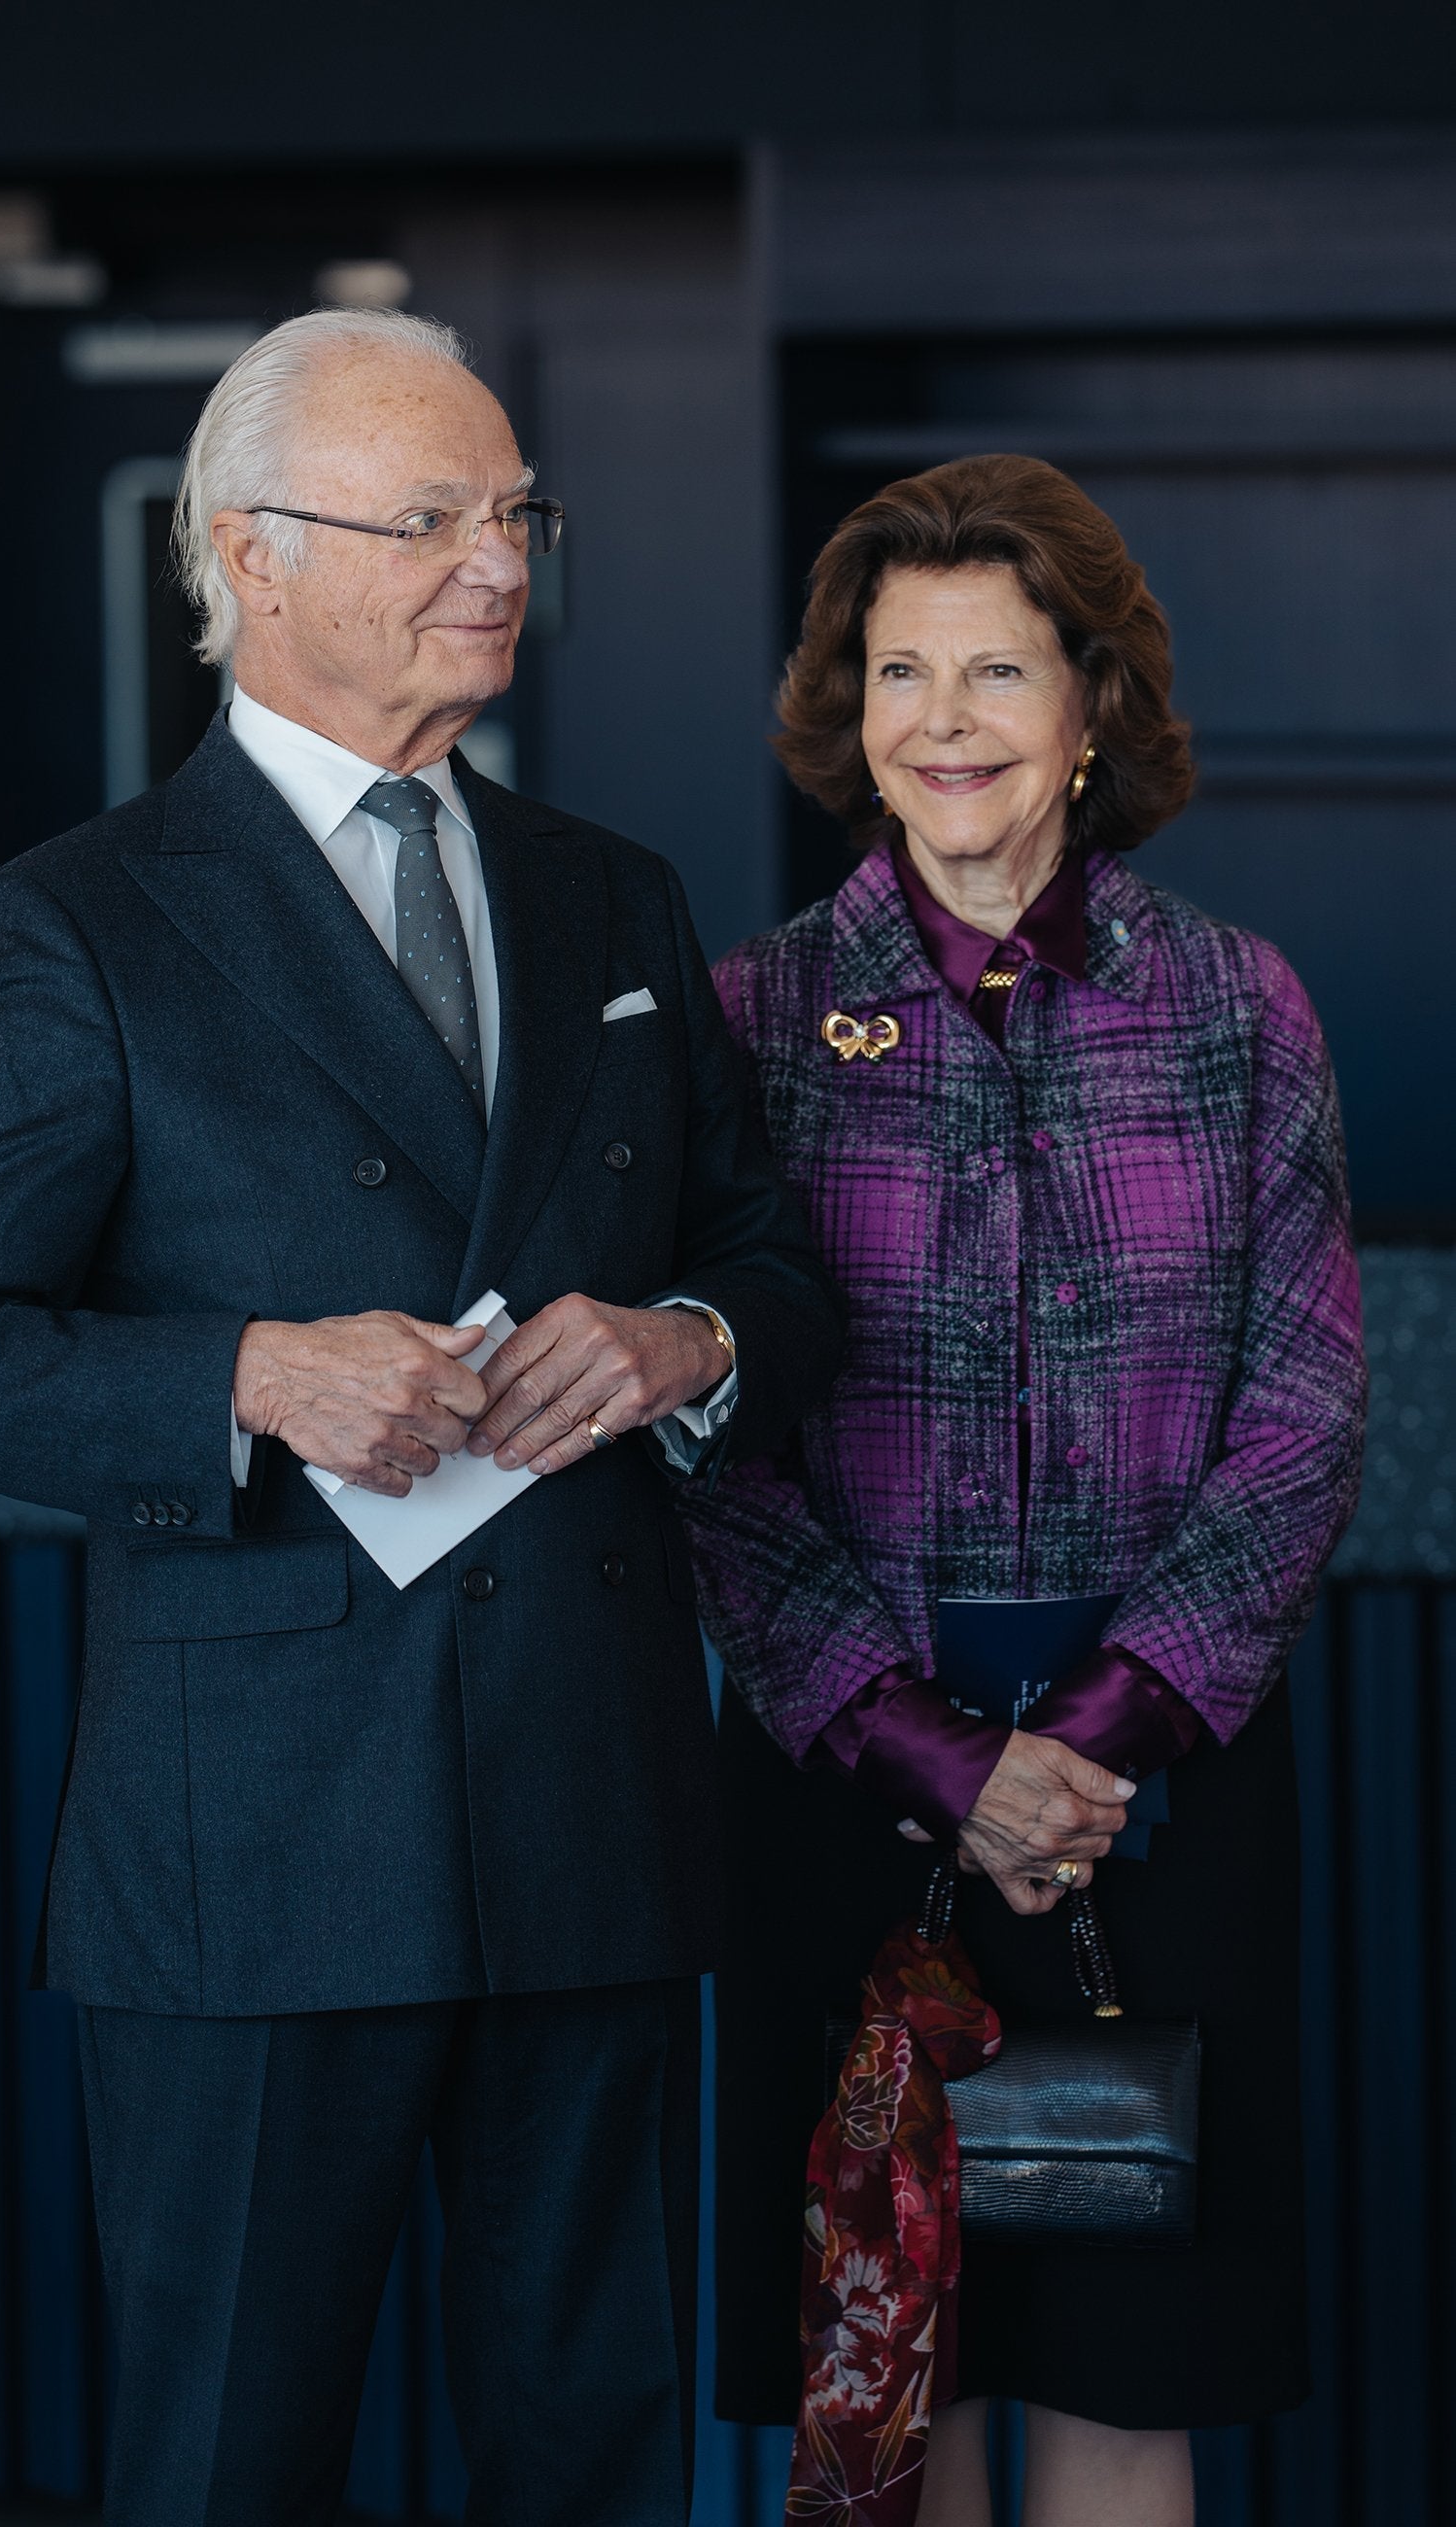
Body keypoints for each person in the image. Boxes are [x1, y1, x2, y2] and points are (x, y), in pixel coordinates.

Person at [0, 307, 844, 2527]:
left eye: (513, 512)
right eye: (434, 516)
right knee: (227, 2467)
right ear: (249, 555)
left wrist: (689, 1342)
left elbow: (779, 1266)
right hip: (257, 1844)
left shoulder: (612, 892)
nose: (499, 562)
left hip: (586, 1800)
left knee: (592, 2459)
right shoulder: (78, 922)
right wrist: (248, 1377)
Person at [678, 454, 1368, 2527]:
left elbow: (1310, 1406)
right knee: (895, 2380)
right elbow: (711, 1445)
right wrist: (931, 1754)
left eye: (997, 667)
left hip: (1165, 1791)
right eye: (900, 668)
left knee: (1124, 2374)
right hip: (842, 1788)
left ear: (1092, 710)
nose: (944, 717)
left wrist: (1088, 1741)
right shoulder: (759, 1023)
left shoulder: (1239, 1007)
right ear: (848, 704)